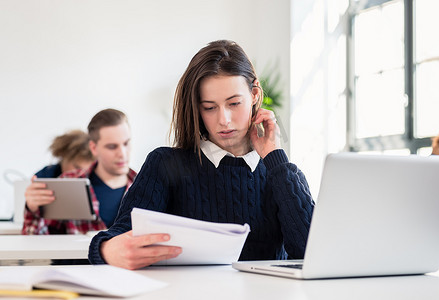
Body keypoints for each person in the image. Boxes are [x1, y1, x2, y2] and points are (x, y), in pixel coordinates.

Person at [88, 40, 315, 270]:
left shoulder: (280, 173)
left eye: (234, 103)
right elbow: (120, 237)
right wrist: (106, 249)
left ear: (255, 94)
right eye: (209, 107)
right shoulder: (164, 164)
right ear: (197, 108)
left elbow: (312, 254)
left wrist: (274, 157)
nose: (224, 120)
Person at [22, 108, 137, 234]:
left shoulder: (148, 186)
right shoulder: (67, 183)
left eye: (126, 143)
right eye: (112, 147)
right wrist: (32, 210)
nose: (122, 154)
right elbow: (37, 243)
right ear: (93, 148)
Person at [23, 129, 95, 214]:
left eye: (85, 170)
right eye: (76, 167)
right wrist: (31, 207)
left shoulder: (95, 178)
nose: (80, 174)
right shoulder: (45, 175)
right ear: (64, 158)